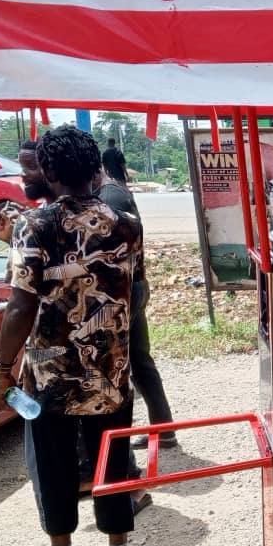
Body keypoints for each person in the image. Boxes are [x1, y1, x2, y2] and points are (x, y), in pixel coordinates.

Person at [0, 125, 158, 546]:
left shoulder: (33, 224)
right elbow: (130, 285)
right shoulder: (126, 222)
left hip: (51, 375)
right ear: (95, 169)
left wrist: (3, 369)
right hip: (112, 370)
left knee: (53, 462)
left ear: (47, 170)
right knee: (112, 458)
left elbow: (22, 304)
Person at [93, 174, 179, 450]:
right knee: (140, 364)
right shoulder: (114, 192)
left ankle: (117, 449)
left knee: (118, 365)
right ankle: (164, 431)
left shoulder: (108, 197)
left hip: (124, 289)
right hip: (133, 285)